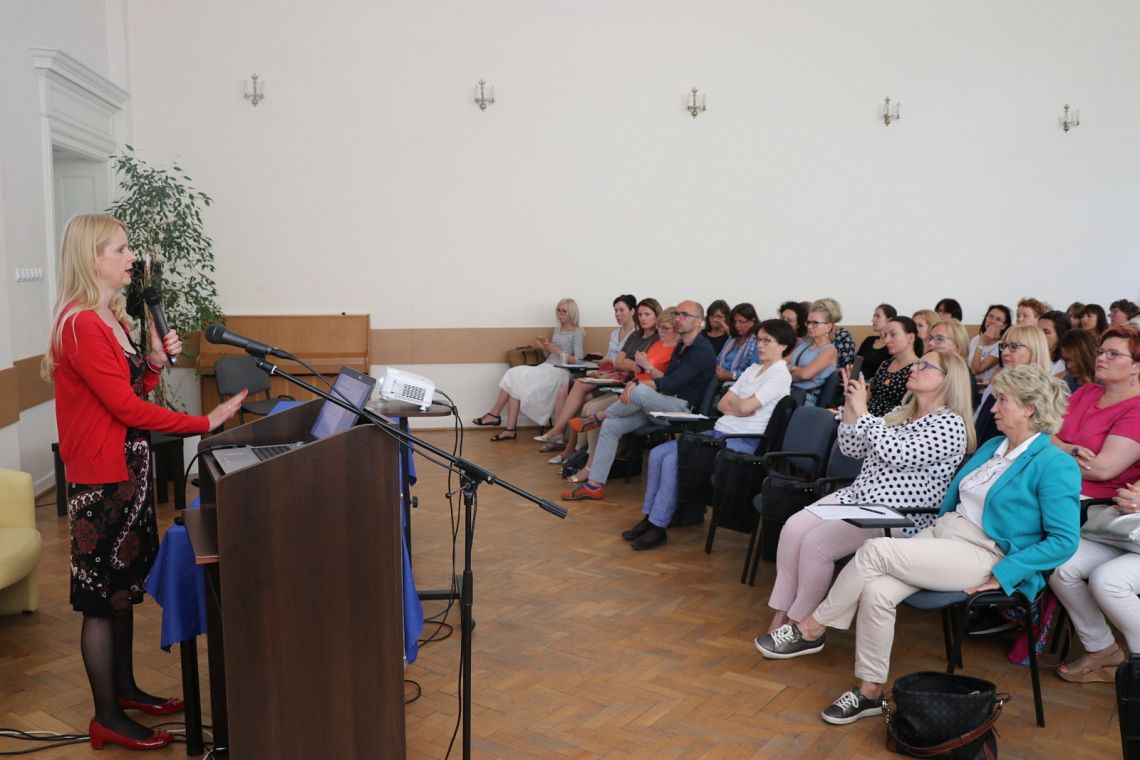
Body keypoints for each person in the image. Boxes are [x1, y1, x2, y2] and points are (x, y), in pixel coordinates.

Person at [757, 365, 1079, 726]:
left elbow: (1064, 541)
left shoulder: (1055, 464)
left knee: (875, 551)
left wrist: (1005, 573)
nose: (993, 408)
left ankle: (811, 628)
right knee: (876, 592)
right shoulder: (994, 447)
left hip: (985, 552)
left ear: (1029, 409)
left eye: (1003, 400)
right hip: (944, 533)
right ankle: (869, 692)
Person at [42, 214, 244, 751]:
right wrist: (205, 422)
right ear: (92, 259)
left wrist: (153, 361)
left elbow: (134, 392)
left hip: (128, 474)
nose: (132, 257)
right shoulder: (81, 324)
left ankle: (126, 690)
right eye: (120, 249)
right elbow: (125, 408)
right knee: (100, 599)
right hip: (101, 482)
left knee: (122, 590)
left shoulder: (110, 317)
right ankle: (107, 716)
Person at [762, 348, 975, 641]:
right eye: (918, 363)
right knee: (793, 528)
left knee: (816, 544)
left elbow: (898, 453)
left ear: (948, 380)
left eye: (925, 366)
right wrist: (852, 408)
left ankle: (800, 623)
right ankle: (781, 610)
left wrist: (863, 412)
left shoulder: (949, 424)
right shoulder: (900, 413)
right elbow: (854, 449)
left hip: (898, 513)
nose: (915, 368)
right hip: (860, 497)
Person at [620, 319, 796, 550]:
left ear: (783, 345)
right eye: (758, 340)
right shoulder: (752, 370)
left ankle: (658, 525)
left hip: (742, 442)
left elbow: (741, 406)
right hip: (719, 433)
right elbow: (722, 404)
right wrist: (741, 405)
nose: (760, 345)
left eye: (767, 341)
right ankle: (650, 515)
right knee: (658, 453)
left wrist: (739, 404)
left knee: (673, 460)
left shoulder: (780, 374)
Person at [562, 300, 716, 501]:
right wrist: (635, 382)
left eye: (684, 315)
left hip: (682, 409)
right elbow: (664, 379)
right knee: (611, 426)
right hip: (662, 404)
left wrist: (639, 385)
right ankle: (593, 485)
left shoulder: (702, 350)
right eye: (677, 314)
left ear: (699, 321)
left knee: (640, 392)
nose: (679, 318)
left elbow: (672, 383)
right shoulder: (681, 346)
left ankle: (599, 416)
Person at [544, 300, 662, 465]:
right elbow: (619, 362)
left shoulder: (657, 339)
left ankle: (581, 454)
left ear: (657, 316)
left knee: (588, 403)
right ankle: (574, 450)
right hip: (619, 376)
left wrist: (627, 364)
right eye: (641, 314)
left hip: (631, 384)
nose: (642, 318)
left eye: (647, 314)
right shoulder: (635, 335)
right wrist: (627, 364)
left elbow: (641, 368)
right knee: (578, 385)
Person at [1051, 481, 1140, 683]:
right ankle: (1103, 649)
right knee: (1061, 564)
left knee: (1108, 581)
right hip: (1131, 530)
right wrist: (1132, 496)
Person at [534, 295, 640, 446]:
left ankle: (566, 438)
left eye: (621, 310)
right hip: (608, 370)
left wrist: (609, 362)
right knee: (573, 386)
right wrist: (602, 358)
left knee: (582, 392)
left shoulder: (636, 334)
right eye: (615, 310)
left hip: (620, 374)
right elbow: (611, 356)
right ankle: (566, 440)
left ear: (632, 311)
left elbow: (626, 362)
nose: (617, 314)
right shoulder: (615, 332)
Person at [473, 298, 584, 441]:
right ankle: (508, 428)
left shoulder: (577, 333)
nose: (559, 314)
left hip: (560, 371)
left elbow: (578, 360)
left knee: (514, 377)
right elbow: (550, 356)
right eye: (558, 310)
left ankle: (495, 415)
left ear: (572, 313)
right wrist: (544, 348)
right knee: (514, 378)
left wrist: (555, 350)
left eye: (564, 311)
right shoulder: (557, 330)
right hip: (547, 366)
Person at [1050, 326, 1140, 500]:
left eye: (1113, 354)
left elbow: (1101, 469)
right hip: (1049, 482)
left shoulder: (1136, 409)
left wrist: (1046, 452)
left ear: (1136, 367)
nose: (1101, 358)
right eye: (1101, 352)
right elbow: (1040, 430)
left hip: (1087, 500)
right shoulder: (1087, 391)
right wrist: (1063, 447)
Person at [973, 324, 1050, 445]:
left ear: (1034, 350)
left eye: (1013, 347)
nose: (1004, 352)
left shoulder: (1043, 394)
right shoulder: (995, 386)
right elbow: (978, 427)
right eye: (1004, 346)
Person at [867, 316, 921, 416]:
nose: (887, 340)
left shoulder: (919, 368)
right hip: (867, 417)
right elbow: (869, 394)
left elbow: (913, 408)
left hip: (892, 421)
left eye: (893, 334)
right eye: (885, 335)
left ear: (910, 337)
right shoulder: (885, 363)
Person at [788, 301, 839, 407]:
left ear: (828, 327)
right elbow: (781, 366)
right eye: (808, 322)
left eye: (815, 323)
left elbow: (805, 375)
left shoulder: (829, 351)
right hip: (789, 394)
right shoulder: (804, 345)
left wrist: (791, 370)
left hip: (804, 400)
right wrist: (798, 371)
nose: (810, 326)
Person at [927, 317, 980, 408]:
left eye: (939, 339)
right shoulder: (927, 368)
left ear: (957, 347)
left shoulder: (963, 379)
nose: (930, 343)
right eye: (930, 338)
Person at [714, 303, 760, 383]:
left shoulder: (757, 343)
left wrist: (732, 375)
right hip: (718, 378)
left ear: (752, 322)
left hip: (738, 383)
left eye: (741, 322)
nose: (737, 325)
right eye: (734, 322)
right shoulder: (733, 338)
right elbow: (718, 359)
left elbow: (754, 372)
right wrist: (717, 368)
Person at [968, 304, 1011, 387]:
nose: (992, 321)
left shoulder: (1002, 345)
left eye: (998, 319)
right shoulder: (975, 339)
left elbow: (976, 369)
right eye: (990, 316)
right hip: (970, 385)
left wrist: (981, 343)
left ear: (1004, 326)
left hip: (988, 388)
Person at [856, 304, 896, 381]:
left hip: (875, 384)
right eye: (874, 316)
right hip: (858, 381)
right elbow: (856, 362)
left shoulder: (893, 345)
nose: (873, 320)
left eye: (878, 316)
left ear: (889, 320)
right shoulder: (869, 340)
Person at [1037, 309, 1072, 376]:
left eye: (1046, 332)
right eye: (1037, 331)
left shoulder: (1065, 366)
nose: (1040, 335)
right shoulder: (1029, 358)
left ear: (1060, 335)